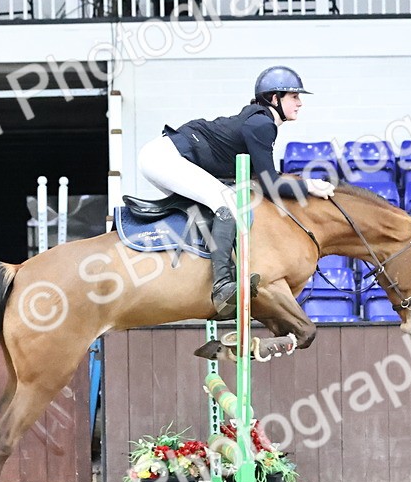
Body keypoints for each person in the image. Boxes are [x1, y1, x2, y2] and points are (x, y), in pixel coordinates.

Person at [136, 65, 336, 318]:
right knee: (227, 203)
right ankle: (221, 286)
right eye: (294, 97)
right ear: (274, 99)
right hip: (163, 158)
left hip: (165, 156)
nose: (299, 103)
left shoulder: (260, 121)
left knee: (216, 202)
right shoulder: (262, 124)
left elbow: (259, 180)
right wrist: (309, 186)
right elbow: (270, 184)